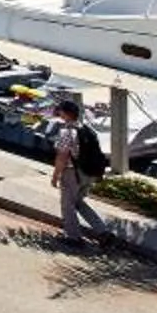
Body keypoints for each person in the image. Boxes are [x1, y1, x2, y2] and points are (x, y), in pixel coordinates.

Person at [50, 99, 108, 240]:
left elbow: (62, 156)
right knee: (78, 203)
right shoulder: (87, 130)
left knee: (67, 205)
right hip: (89, 174)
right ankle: (103, 231)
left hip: (73, 173)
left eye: (60, 111)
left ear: (66, 114)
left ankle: (73, 238)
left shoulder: (67, 132)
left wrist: (55, 175)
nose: (59, 114)